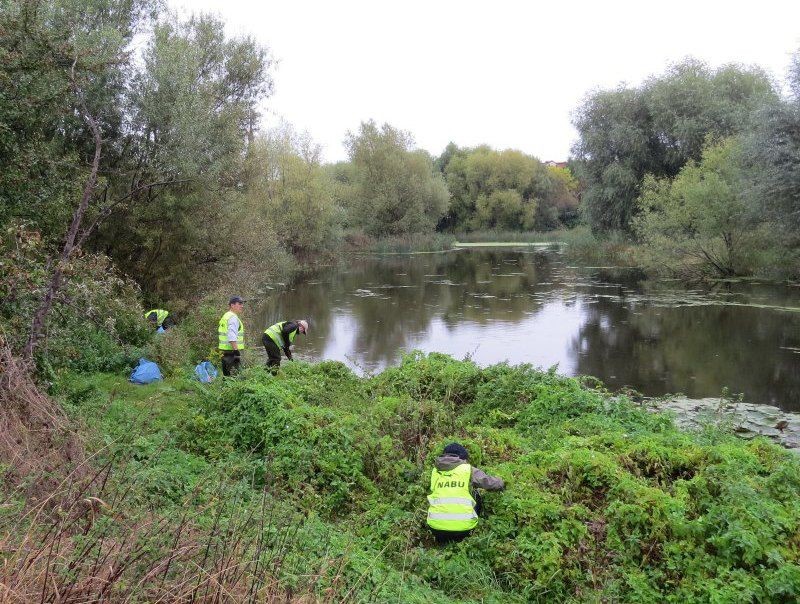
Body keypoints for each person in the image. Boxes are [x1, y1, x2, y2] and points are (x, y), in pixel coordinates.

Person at [426, 442, 505, 544]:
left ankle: (442, 540)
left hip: (436, 528)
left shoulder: (435, 471)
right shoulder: (467, 469)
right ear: (462, 458)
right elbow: (490, 483)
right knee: (475, 492)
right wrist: (503, 482)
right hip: (464, 529)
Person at [218, 296, 245, 376]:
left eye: (242, 304)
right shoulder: (233, 318)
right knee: (234, 376)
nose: (242, 306)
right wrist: (236, 351)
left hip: (225, 350)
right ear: (232, 305)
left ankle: (226, 388)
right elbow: (231, 335)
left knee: (227, 375)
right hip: (231, 351)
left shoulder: (226, 316)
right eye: (239, 304)